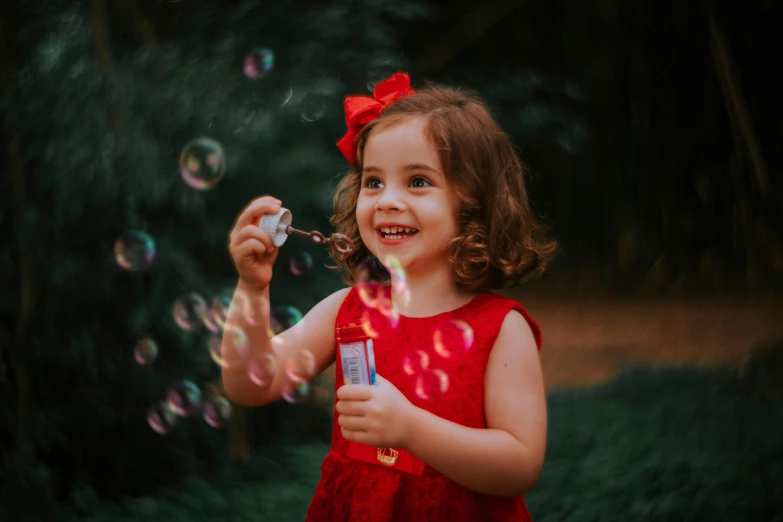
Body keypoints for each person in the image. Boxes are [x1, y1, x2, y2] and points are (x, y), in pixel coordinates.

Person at [222, 72, 556, 521]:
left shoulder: (500, 328)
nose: (386, 201)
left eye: (418, 182)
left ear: (474, 204)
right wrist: (252, 288)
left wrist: (412, 429)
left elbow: (519, 464)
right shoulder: (348, 310)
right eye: (373, 181)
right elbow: (250, 385)